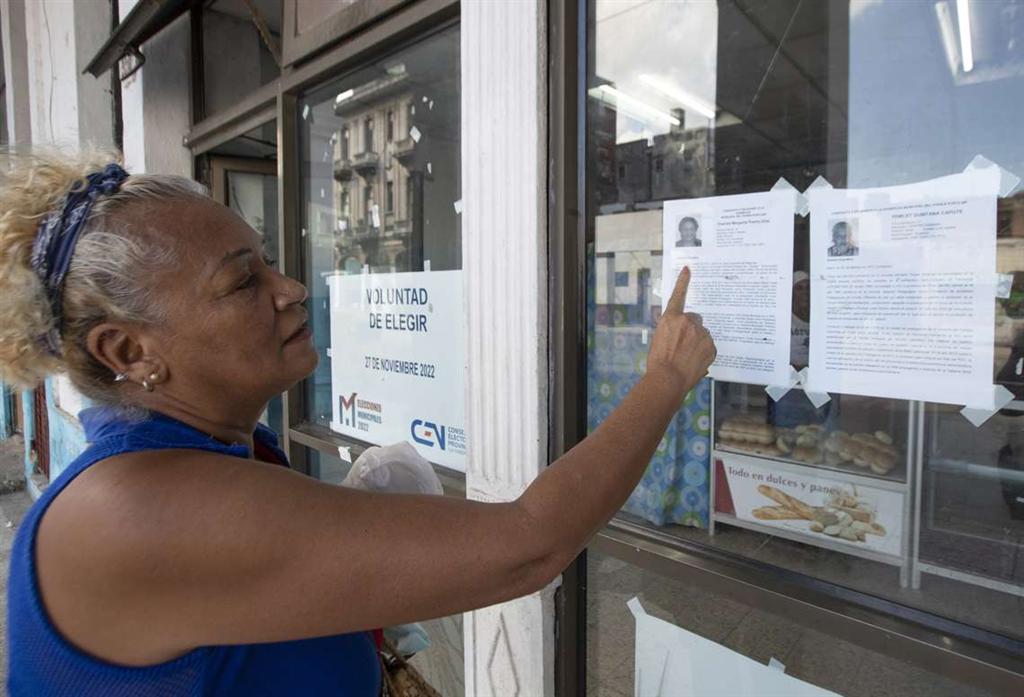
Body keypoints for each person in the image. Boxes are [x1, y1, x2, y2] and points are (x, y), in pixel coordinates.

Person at [0, 153, 716, 696]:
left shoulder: (221, 455)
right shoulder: (136, 511)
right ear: (130, 350)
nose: (293, 288)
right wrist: (666, 379)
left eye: (270, 262)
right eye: (243, 280)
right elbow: (528, 546)